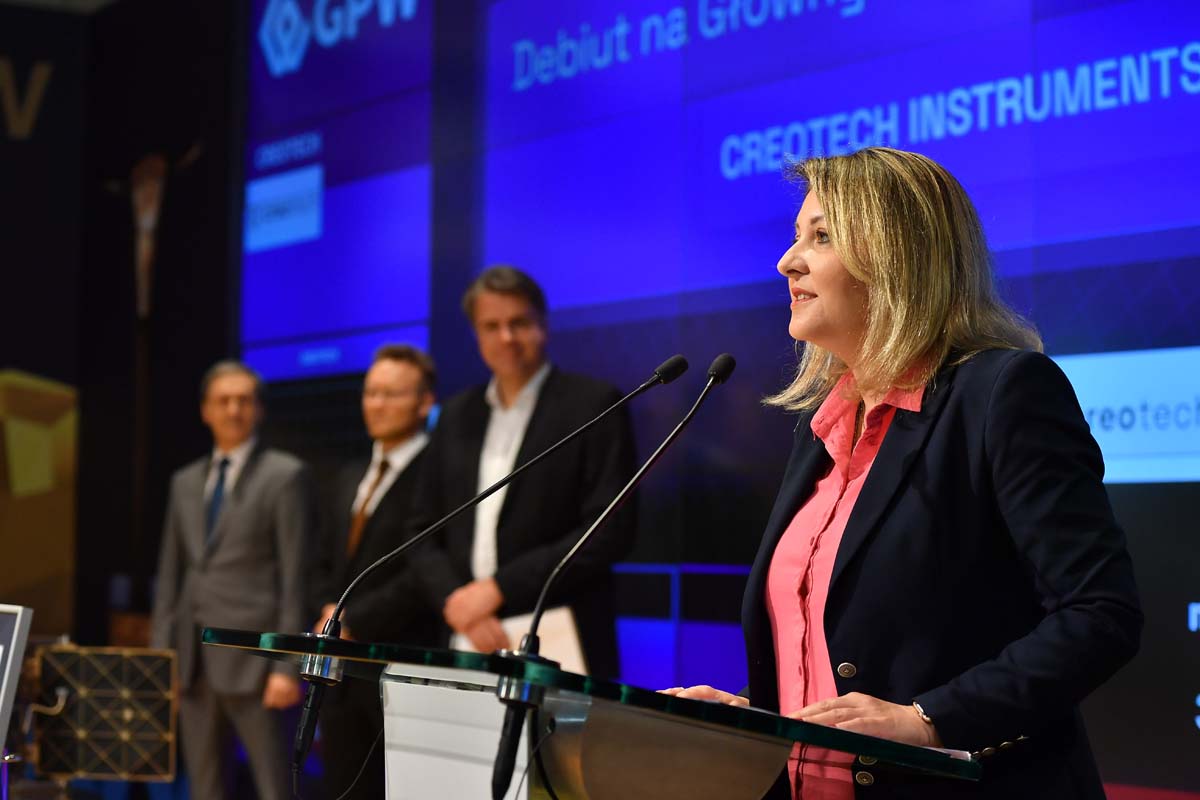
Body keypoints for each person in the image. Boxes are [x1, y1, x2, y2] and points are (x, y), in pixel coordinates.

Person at [664, 147, 1142, 798]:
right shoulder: (821, 428)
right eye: (797, 235)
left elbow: (1100, 613)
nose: (787, 261)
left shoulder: (1003, 394)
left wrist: (930, 719)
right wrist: (755, 715)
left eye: (821, 237)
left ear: (895, 256)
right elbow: (843, 656)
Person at [409, 265, 637, 679]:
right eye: (491, 326)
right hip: (466, 634)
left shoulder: (593, 404)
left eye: (519, 323)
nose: (506, 338)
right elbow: (422, 529)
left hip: (560, 635)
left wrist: (497, 590)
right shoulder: (455, 415)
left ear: (543, 325)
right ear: (476, 334)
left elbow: (609, 531)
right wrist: (460, 602)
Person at [151, 360, 312, 800]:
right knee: (204, 788)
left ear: (259, 409)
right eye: (223, 401)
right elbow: (170, 575)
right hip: (192, 662)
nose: (233, 410)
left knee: (275, 786)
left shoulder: (285, 475)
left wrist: (287, 666)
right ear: (206, 410)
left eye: (243, 400)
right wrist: (163, 658)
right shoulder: (184, 481)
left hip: (257, 665)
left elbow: (295, 577)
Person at [308, 344, 443, 798]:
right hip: (341, 671)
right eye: (370, 393)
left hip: (402, 664)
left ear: (424, 402)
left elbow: (426, 569)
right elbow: (322, 559)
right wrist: (328, 611)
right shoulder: (349, 474)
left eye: (392, 394)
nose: (377, 404)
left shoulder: (439, 473)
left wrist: (356, 619)